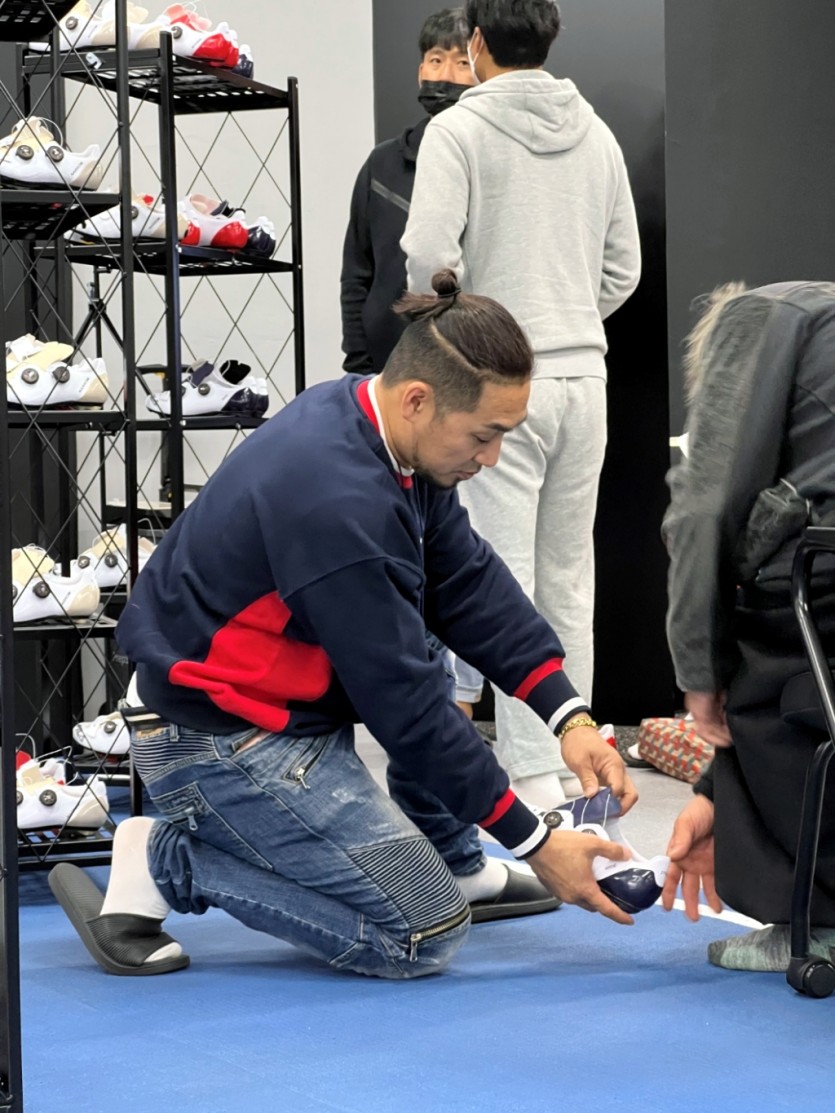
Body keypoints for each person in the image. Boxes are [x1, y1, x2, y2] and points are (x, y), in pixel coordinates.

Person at [48, 272, 638, 980]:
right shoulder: (335, 500)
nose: (492, 458)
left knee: (417, 612)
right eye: (485, 435)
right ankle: (164, 860)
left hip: (273, 707)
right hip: (213, 740)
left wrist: (570, 717)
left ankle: (453, 858)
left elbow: (467, 582)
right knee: (423, 932)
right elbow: (405, 707)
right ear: (418, 399)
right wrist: (535, 841)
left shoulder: (377, 423)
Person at [401, 0, 641, 809]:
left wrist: (492, 333)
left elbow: (427, 255)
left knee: (500, 576)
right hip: (582, 377)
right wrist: (565, 321)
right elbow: (623, 267)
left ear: (474, 43)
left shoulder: (458, 131)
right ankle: (576, 761)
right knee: (569, 576)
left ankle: (533, 773)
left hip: (497, 383)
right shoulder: (596, 134)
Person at [660, 281, 835, 971]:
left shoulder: (752, 319)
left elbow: (704, 508)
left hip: (820, 582)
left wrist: (699, 677)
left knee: (766, 669)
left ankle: (815, 920)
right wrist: (715, 795)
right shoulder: (818, 318)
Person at [340, 8, 474, 375]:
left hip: (469, 365)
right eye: (436, 60)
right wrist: (359, 366)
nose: (446, 75)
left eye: (462, 62)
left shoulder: (493, 163)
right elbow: (357, 273)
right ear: (420, 71)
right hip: (388, 366)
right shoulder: (382, 164)